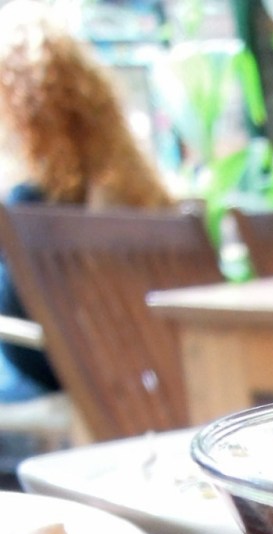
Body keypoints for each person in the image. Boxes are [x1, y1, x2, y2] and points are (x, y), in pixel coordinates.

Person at [0, 1, 175, 402]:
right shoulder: (132, 190)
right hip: (141, 368)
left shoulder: (31, 204)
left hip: (62, 371)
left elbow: (18, 325)